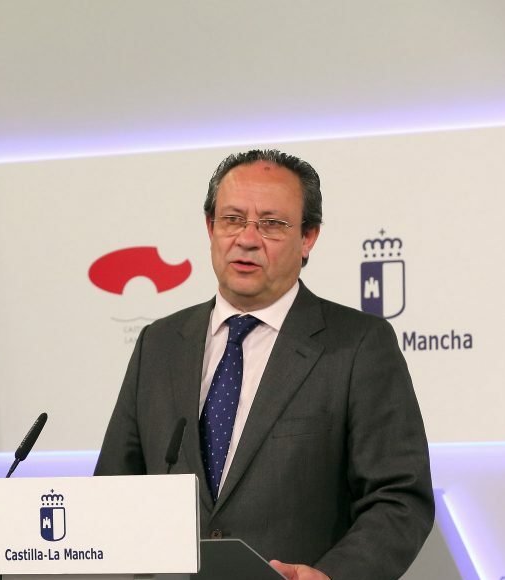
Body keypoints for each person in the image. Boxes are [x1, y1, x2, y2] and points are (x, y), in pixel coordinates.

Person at [94, 149, 434, 580]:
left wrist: (332, 576)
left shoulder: (358, 345)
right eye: (232, 219)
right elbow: (113, 490)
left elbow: (400, 498)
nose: (247, 239)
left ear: (308, 237)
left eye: (271, 224)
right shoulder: (158, 344)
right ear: (210, 227)